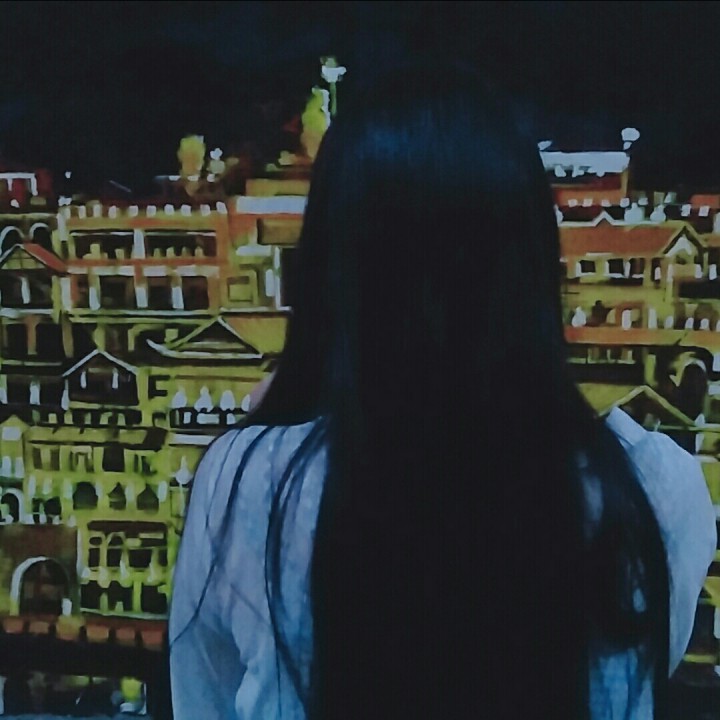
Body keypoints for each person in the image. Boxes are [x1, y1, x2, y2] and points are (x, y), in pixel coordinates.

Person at [168, 62, 716, 720]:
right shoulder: (654, 492)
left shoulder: (252, 486)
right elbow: (648, 664)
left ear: (332, 270)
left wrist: (262, 442)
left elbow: (204, 698)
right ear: (531, 268)